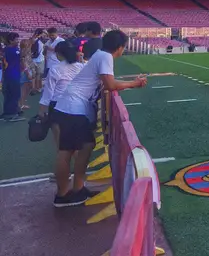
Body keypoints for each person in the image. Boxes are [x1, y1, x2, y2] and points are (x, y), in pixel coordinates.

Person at [52, 30, 147, 207]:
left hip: (72, 107)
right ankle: (65, 194)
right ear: (119, 48)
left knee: (79, 147)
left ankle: (75, 190)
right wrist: (134, 84)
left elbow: (107, 81)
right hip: (73, 108)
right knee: (71, 150)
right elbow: (110, 85)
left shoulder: (100, 54)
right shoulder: (105, 57)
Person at [40, 41, 84, 149]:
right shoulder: (82, 67)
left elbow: (48, 93)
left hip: (57, 106)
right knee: (77, 141)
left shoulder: (55, 69)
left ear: (59, 54)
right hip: (77, 105)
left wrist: (41, 111)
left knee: (60, 144)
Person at [2, 33, 24, 121]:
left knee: (8, 95)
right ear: (11, 40)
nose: (18, 41)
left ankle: (7, 113)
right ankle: (13, 114)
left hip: (8, 76)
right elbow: (22, 55)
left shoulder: (6, 49)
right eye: (16, 39)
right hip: (13, 76)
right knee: (14, 95)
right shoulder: (13, 50)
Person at [31, 29, 46, 94]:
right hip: (35, 59)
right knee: (36, 75)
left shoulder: (42, 40)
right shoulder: (35, 39)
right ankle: (35, 88)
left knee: (36, 75)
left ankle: (36, 88)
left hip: (38, 59)